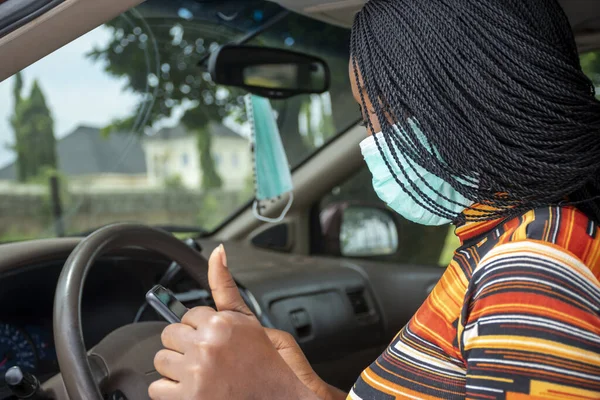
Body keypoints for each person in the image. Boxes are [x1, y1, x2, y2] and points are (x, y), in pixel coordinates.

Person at [147, 0, 600, 398]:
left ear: (464, 102)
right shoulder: (508, 241)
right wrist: (314, 392)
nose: (371, 136)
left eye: (373, 113)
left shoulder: (531, 265)